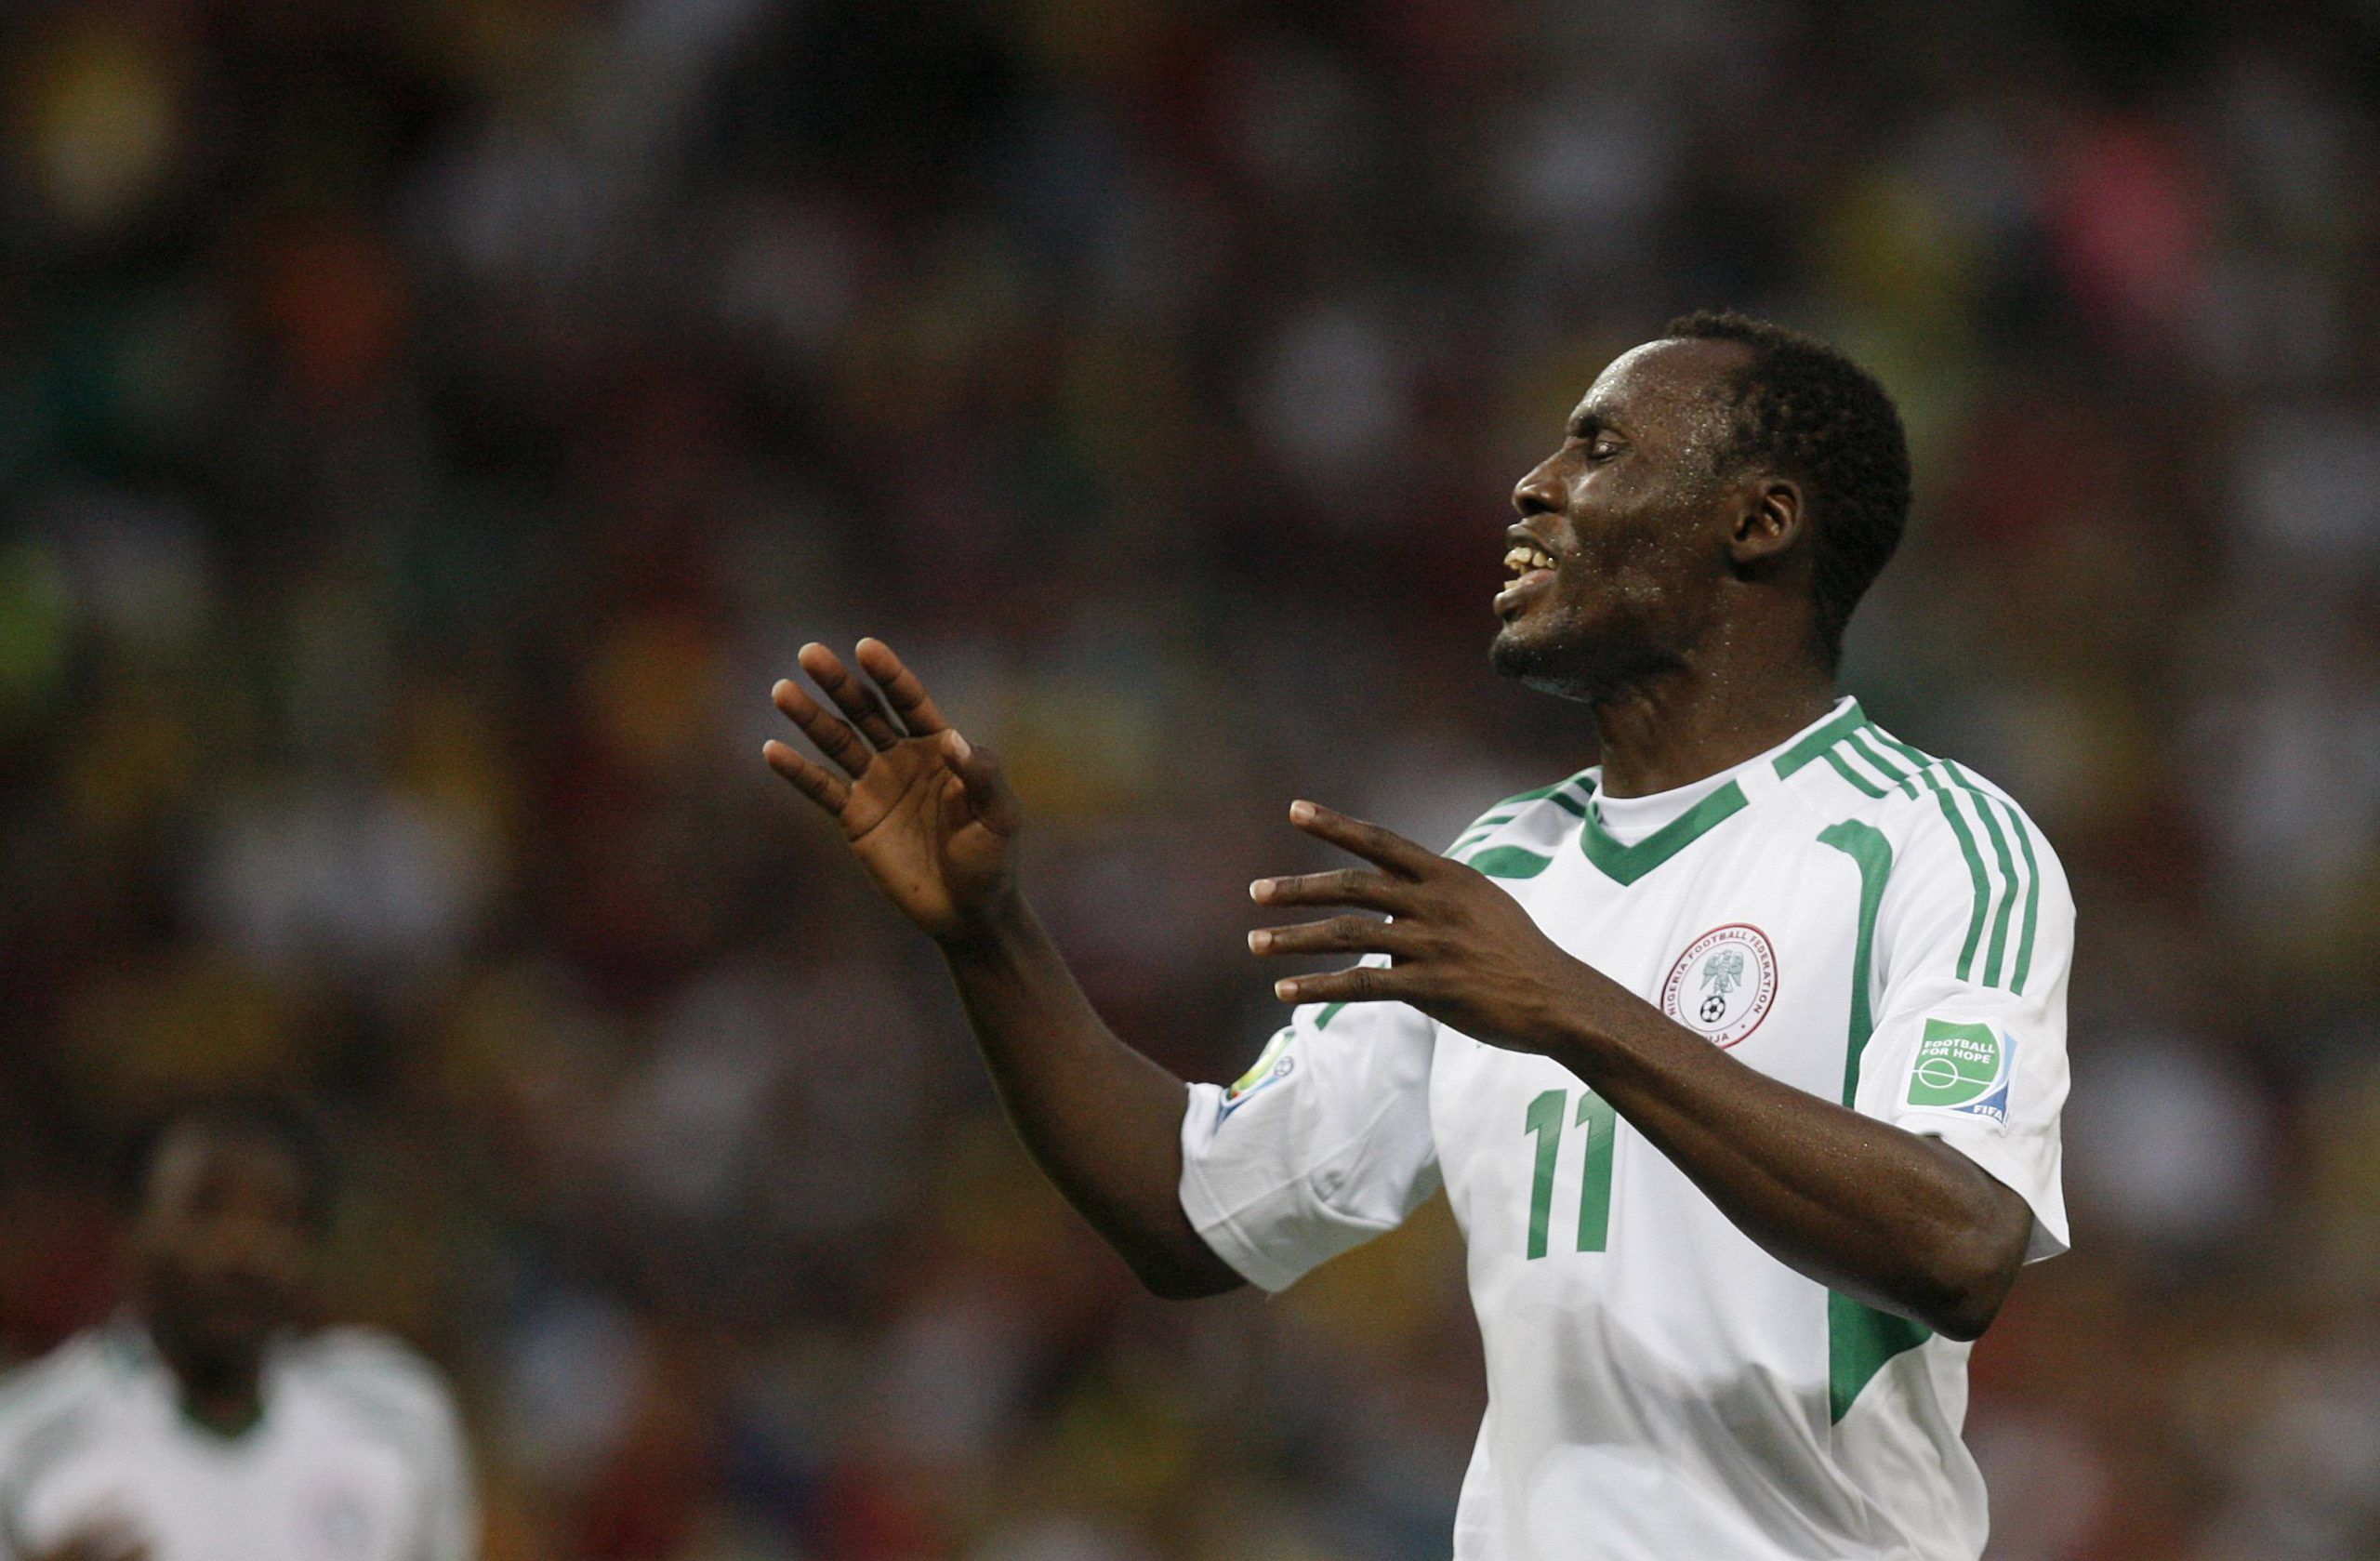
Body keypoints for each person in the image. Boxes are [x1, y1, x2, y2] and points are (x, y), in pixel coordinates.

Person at [762, 311, 2072, 1561]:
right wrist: (989, 933)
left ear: (1762, 519)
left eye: (1600, 446)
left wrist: (1570, 1003)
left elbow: (1958, 1242)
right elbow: (1188, 1211)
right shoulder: (1501, 872)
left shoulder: (1933, 842)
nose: (1534, 483)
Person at [0, 1096, 477, 1561]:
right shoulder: (26, 1437)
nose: (243, 1251)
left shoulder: (397, 1417)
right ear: (131, 1229)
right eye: (205, 1210)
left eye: (278, 1216)